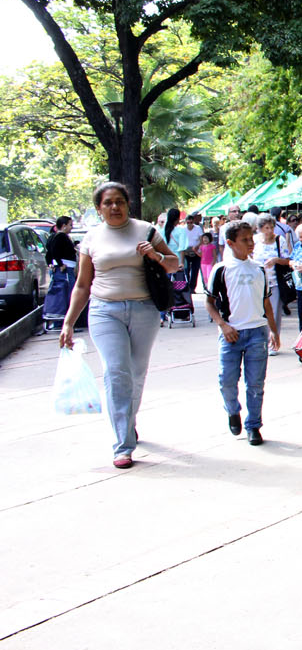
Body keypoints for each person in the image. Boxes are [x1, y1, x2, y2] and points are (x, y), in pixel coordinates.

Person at [60, 181, 182, 468]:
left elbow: (174, 264)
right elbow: (81, 285)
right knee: (116, 373)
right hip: (105, 311)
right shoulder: (91, 238)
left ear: (128, 204)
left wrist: (155, 255)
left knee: (136, 373)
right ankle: (122, 444)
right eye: (107, 202)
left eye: (119, 201)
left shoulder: (146, 231)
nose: (114, 207)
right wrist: (68, 323)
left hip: (143, 310)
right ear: (99, 208)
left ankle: (128, 421)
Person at [206, 221, 279, 445]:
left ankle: (254, 425)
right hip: (232, 333)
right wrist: (222, 325)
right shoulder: (221, 269)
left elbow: (266, 302)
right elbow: (209, 302)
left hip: (257, 332)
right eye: (245, 240)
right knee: (227, 380)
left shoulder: (258, 269)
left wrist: (274, 331)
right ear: (230, 243)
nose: (250, 243)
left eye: (251, 239)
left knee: (255, 384)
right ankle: (232, 410)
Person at [252, 213, 292, 354]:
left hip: (274, 282)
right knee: (259, 313)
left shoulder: (279, 240)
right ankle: (260, 341)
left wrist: (275, 260)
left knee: (274, 313)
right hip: (257, 281)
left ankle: (273, 342)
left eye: (271, 227)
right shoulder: (255, 240)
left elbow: (287, 259)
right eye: (266, 228)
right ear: (260, 228)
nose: (269, 231)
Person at [43, 216, 78, 326]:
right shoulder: (61, 236)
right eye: (70, 225)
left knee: (61, 294)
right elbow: (53, 251)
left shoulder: (54, 236)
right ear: (64, 226)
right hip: (65, 269)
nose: (71, 228)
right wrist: (60, 264)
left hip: (63, 267)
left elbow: (48, 252)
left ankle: (60, 322)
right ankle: (64, 322)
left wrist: (50, 263)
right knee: (67, 294)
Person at [162, 208, 189, 324]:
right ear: (178, 218)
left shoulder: (163, 230)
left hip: (166, 263)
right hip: (178, 263)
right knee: (180, 288)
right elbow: (182, 248)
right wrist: (182, 262)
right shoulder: (180, 231)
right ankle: (182, 311)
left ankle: (164, 314)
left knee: (166, 289)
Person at [183, 212, 204, 292]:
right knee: (186, 269)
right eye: (188, 223)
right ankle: (186, 286)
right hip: (186, 251)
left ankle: (192, 287)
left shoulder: (198, 228)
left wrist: (197, 246)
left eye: (191, 223)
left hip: (196, 251)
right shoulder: (183, 229)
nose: (189, 224)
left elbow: (201, 239)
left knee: (195, 270)